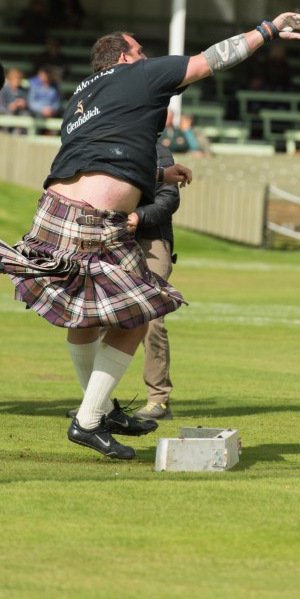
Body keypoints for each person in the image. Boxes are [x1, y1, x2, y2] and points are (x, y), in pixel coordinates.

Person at [0, 11, 300, 461]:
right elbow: (211, 60)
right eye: (140, 50)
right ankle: (88, 421)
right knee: (142, 311)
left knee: (84, 319)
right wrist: (268, 30)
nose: (148, 56)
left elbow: (100, 158)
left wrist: (158, 172)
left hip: (55, 213)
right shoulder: (139, 73)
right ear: (125, 57)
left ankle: (100, 411)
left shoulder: (83, 97)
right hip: (93, 220)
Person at [129, 141, 181, 421]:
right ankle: (95, 401)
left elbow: (169, 199)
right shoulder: (111, 147)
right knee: (99, 317)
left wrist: (139, 216)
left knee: (152, 316)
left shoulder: (159, 151)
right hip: (114, 241)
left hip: (152, 240)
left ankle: (158, 400)